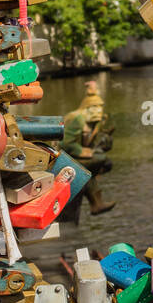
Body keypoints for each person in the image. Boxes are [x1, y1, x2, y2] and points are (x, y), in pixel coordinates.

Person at [60, 81, 115, 216]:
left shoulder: (95, 122)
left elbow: (96, 144)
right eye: (94, 108)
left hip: (77, 157)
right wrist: (86, 152)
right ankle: (95, 202)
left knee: (105, 163)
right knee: (98, 161)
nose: (98, 111)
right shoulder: (76, 119)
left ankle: (97, 203)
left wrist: (106, 139)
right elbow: (65, 143)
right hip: (63, 156)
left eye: (100, 108)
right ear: (86, 108)